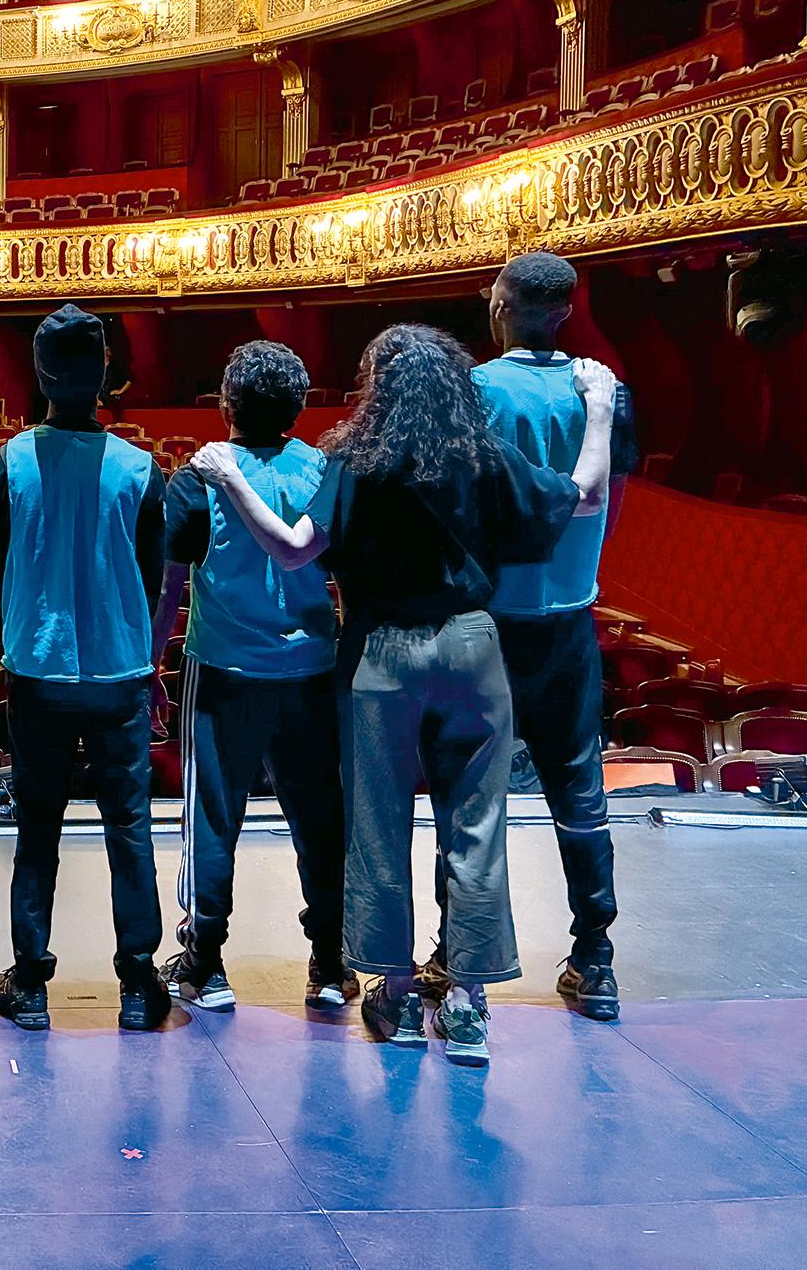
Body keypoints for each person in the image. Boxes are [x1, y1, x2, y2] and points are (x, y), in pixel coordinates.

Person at [191, 324, 615, 1067]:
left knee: (378, 826)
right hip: (473, 648)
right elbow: (584, 496)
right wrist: (600, 410)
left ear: (377, 384)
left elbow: (293, 548)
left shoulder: (355, 457)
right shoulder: (484, 453)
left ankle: (394, 995)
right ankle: (468, 1005)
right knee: (476, 826)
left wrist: (231, 478)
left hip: (381, 655)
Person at [419, 253, 638, 1020]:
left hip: (488, 621)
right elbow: (613, 493)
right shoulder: (605, 391)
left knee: (467, 796)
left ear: (500, 307)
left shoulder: (471, 391)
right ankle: (595, 961)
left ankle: (457, 955)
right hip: (570, 619)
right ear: (565, 313)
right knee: (579, 792)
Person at [0, 305, 174, 1034]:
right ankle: (138, 982)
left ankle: (30, 983)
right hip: (119, 670)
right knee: (129, 826)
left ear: (40, 374)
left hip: (39, 668)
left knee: (37, 828)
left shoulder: (4, 467)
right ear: (105, 376)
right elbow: (151, 578)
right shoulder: (142, 470)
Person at [153, 341, 354, 1014]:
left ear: (225, 404)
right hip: (312, 672)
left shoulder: (198, 479)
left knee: (211, 817)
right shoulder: (324, 469)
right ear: (298, 409)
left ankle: (204, 963)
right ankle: (330, 964)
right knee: (320, 818)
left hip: (223, 672)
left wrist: (152, 666)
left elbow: (171, 588)